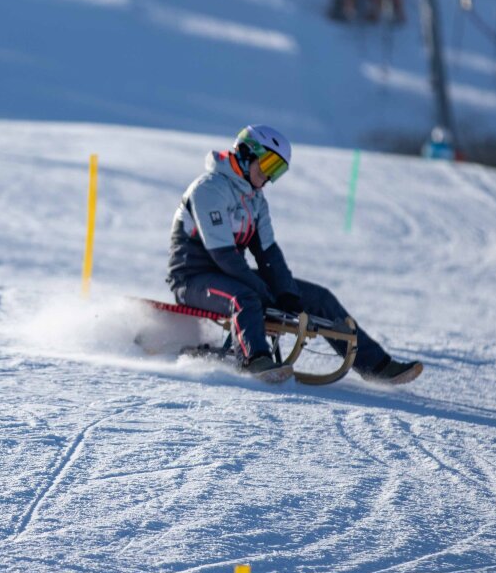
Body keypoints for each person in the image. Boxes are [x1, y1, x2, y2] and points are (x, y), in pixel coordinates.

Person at [167, 125, 422, 384]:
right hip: (192, 278)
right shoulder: (209, 190)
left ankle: (377, 365)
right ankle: (255, 360)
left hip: (230, 276)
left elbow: (268, 254)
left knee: (319, 297)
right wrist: (263, 291)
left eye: (276, 170)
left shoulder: (254, 200)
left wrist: (287, 293)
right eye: (267, 164)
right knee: (246, 297)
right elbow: (223, 256)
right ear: (245, 154)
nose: (268, 176)